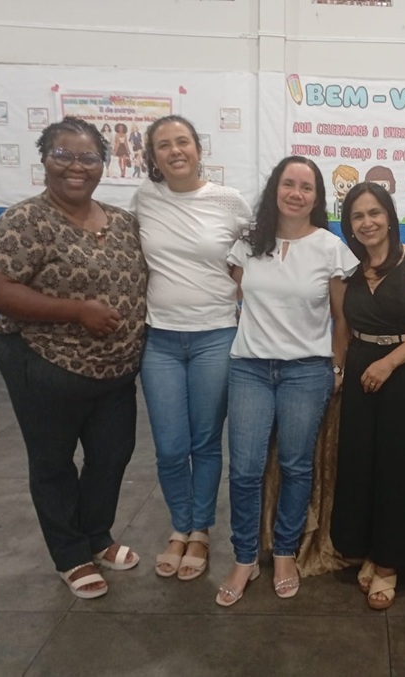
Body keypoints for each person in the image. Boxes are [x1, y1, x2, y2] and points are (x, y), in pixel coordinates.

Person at [0, 116, 147, 599]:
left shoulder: (122, 222)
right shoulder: (25, 221)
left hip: (115, 371)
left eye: (88, 157)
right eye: (63, 155)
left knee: (112, 455)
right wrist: (76, 311)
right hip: (44, 365)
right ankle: (70, 554)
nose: (76, 166)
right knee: (53, 462)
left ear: (103, 165)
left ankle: (96, 535)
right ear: (45, 160)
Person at [215, 156, 359, 607]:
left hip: (306, 372)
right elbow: (239, 294)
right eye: (288, 183)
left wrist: (337, 366)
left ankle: (284, 552)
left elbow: (342, 319)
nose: (296, 193)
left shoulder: (331, 248)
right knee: (245, 469)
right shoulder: (247, 245)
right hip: (250, 369)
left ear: (317, 198)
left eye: (306, 187)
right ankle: (244, 557)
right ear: (275, 189)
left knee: (297, 466)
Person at [131, 115, 252, 582]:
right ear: (153, 156)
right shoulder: (144, 198)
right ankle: (178, 526)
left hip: (215, 335)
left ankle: (199, 531)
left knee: (204, 442)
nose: (175, 150)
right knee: (168, 446)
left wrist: (242, 291)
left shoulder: (229, 201)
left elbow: (255, 254)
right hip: (160, 339)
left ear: (199, 149)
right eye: (163, 145)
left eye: (182, 141)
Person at [330, 182, 405, 610]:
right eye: (357, 216)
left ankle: (391, 562)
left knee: (401, 468)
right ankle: (371, 549)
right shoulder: (350, 270)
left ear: (390, 217)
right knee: (363, 465)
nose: (367, 222)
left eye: (374, 212)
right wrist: (338, 370)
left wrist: (389, 363)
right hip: (361, 371)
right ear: (349, 225)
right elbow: (343, 327)